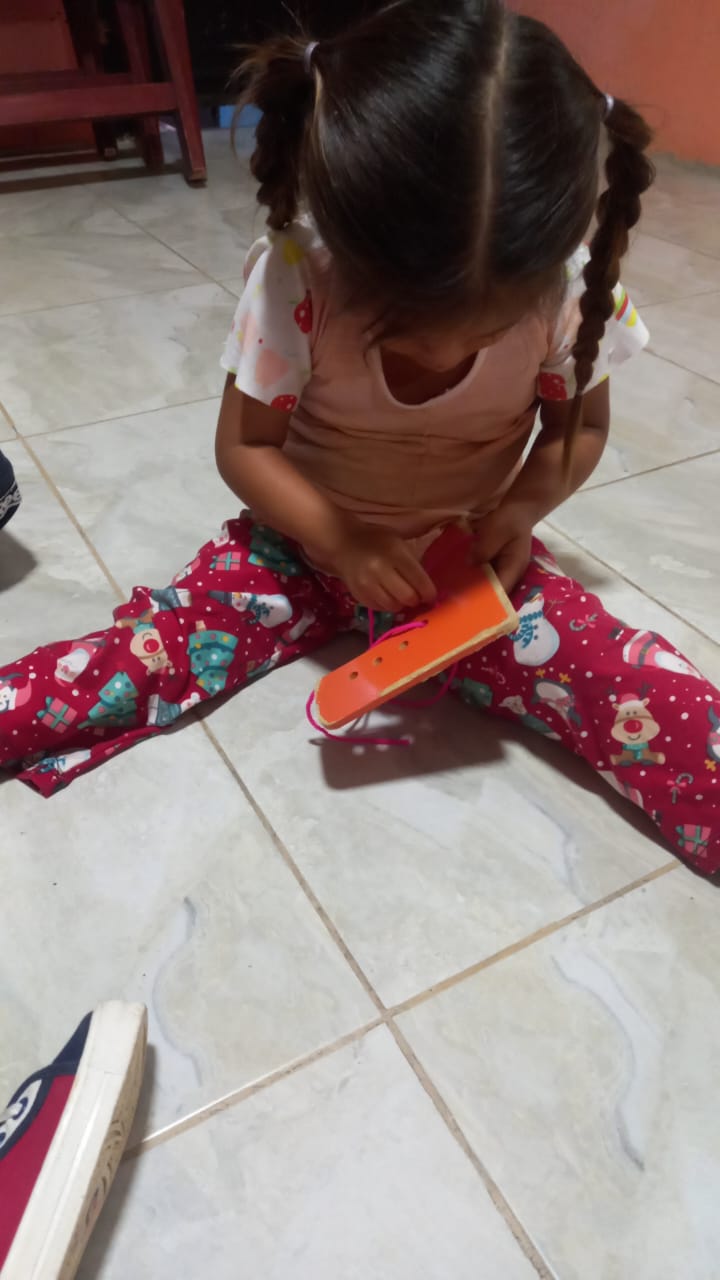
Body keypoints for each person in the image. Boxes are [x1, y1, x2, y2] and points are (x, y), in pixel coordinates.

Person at [0, 0, 718, 874]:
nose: (447, 354)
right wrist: (338, 538)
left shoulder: (569, 290)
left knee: (646, 690)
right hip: (299, 549)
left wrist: (518, 512)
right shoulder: (298, 276)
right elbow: (244, 448)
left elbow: (583, 427)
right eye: (407, 329)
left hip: (469, 569)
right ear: (348, 243)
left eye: (486, 330)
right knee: (138, 657)